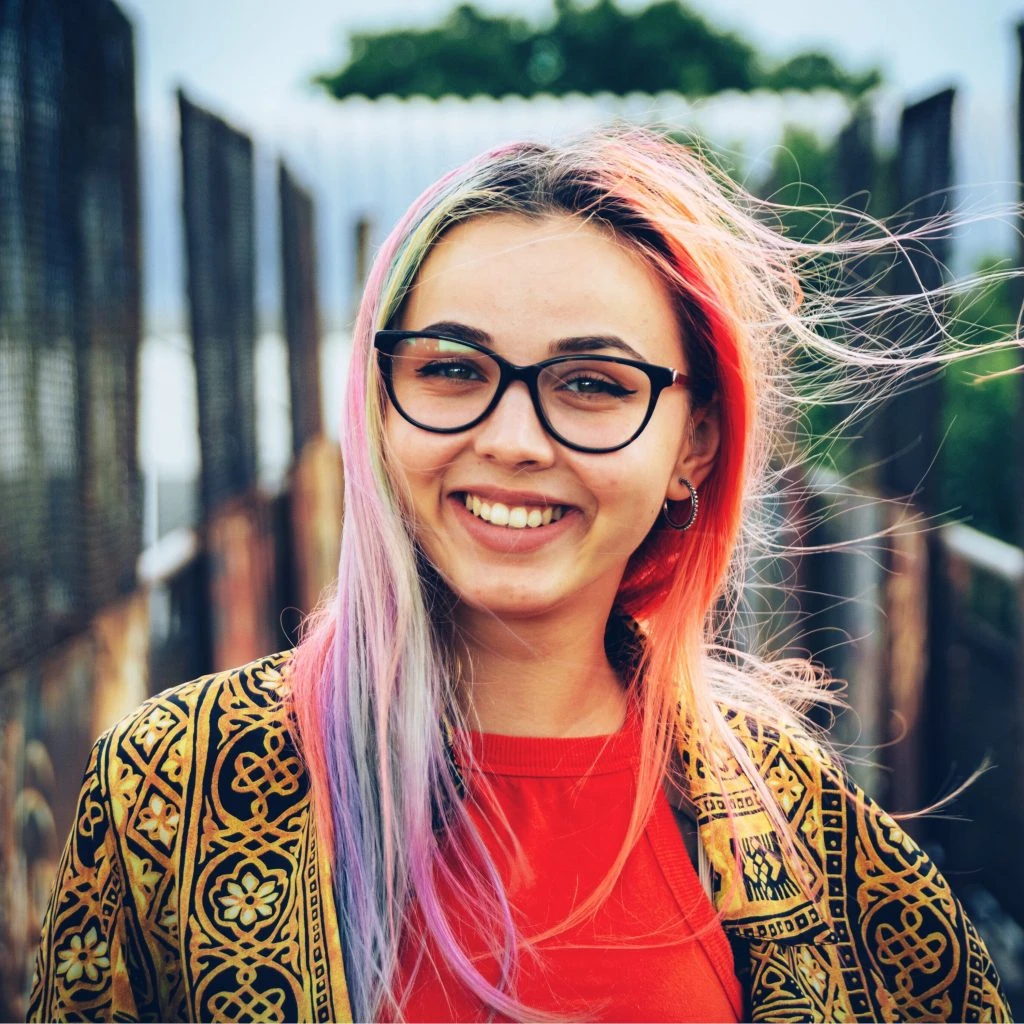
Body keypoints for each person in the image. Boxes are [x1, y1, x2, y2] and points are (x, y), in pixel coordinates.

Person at [29, 129, 1011, 1023]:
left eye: (592, 385)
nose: (510, 440)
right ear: (379, 404)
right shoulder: (166, 787)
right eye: (451, 369)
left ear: (693, 446)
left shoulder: (808, 824)